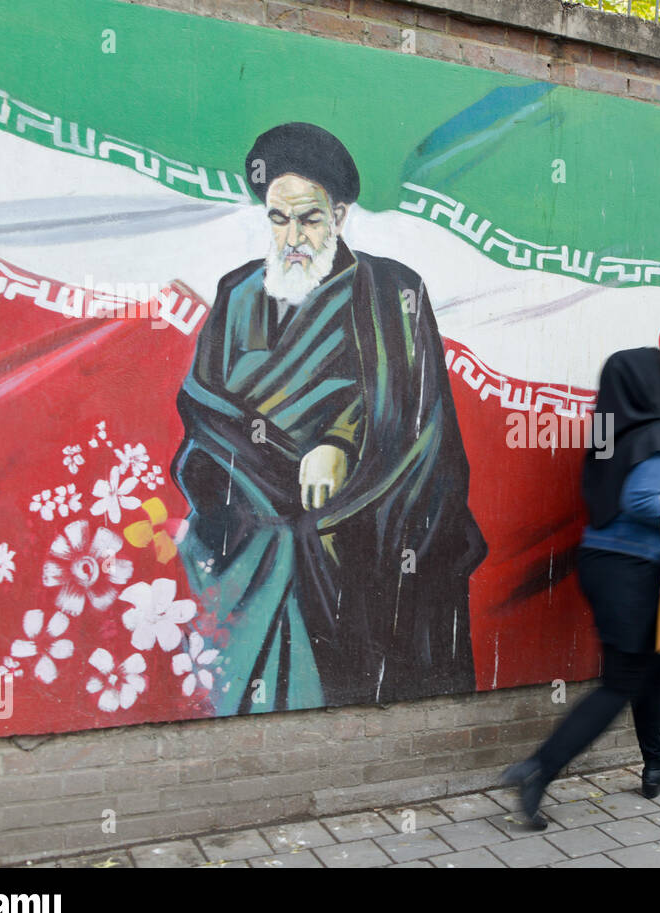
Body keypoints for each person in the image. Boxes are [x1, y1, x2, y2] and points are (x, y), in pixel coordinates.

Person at [171, 122, 486, 715]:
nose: (293, 236)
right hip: (247, 517)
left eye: (309, 218)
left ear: (340, 216)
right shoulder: (239, 292)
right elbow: (205, 405)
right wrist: (268, 469)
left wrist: (339, 444)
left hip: (358, 516)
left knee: (322, 547)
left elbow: (415, 420)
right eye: (278, 219)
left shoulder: (393, 293)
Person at [501, 347, 660, 829]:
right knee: (621, 681)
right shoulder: (656, 433)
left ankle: (659, 765)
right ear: (648, 387)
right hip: (631, 570)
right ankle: (538, 769)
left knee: (655, 664)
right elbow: (639, 499)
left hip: (604, 563)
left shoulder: (610, 435)